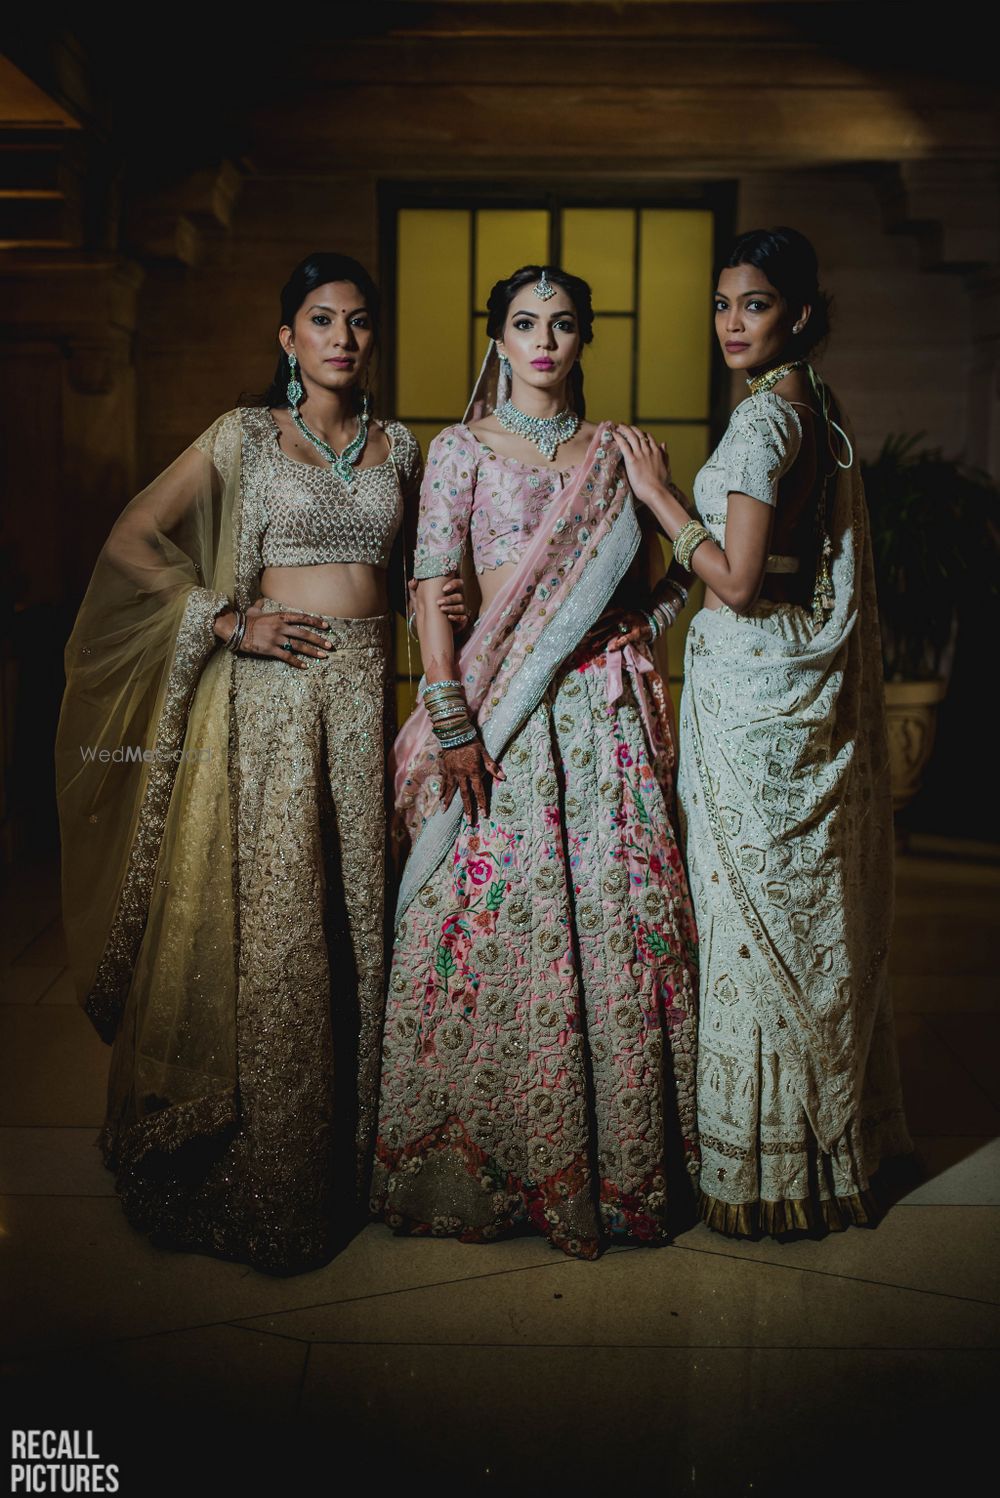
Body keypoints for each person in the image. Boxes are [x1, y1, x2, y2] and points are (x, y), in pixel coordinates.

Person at [56, 252, 466, 1274]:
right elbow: (131, 538)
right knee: (281, 933)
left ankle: (346, 1161)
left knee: (352, 918)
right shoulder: (244, 436)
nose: (342, 337)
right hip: (272, 710)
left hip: (363, 705)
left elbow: (416, 569)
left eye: (359, 321)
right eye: (321, 319)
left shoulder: (400, 446)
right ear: (287, 338)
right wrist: (230, 619)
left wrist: (448, 608)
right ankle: (268, 1179)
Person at [371, 265, 699, 1260]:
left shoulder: (621, 452)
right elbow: (433, 589)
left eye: (562, 324)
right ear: (498, 340)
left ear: (584, 338)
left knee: (617, 920)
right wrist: (451, 716)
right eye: (525, 324)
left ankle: (620, 1164)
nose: (544, 340)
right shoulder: (460, 449)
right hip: (496, 715)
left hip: (602, 716)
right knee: (482, 912)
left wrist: (637, 620)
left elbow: (685, 571)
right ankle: (480, 1156)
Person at [614, 226, 912, 1236]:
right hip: (791, 689)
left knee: (748, 923)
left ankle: (766, 1178)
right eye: (720, 304)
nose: (731, 323)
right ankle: (824, 1158)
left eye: (752, 304)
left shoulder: (760, 427)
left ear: (796, 315)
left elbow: (736, 584)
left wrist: (657, 495)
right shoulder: (814, 409)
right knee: (790, 913)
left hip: (753, 694)